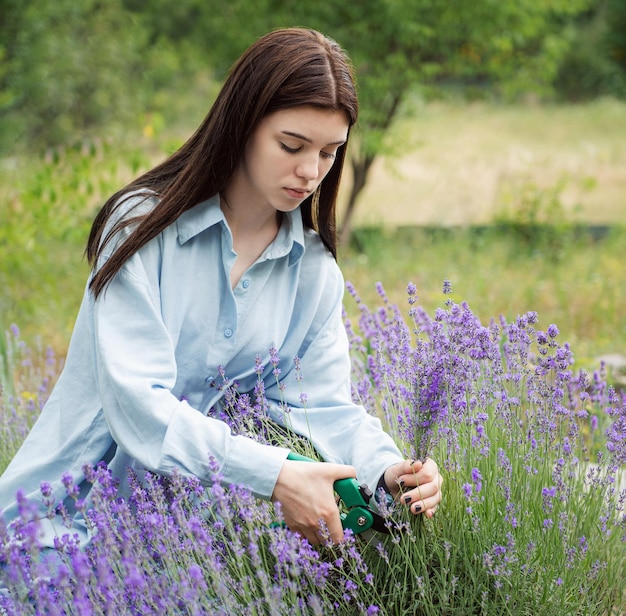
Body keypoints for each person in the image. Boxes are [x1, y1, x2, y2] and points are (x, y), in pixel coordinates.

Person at [0, 27, 442, 548]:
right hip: (57, 525)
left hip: (181, 546)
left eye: (329, 153)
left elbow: (319, 404)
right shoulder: (143, 227)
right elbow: (139, 404)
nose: (310, 171)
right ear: (242, 124)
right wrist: (277, 475)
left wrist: (389, 470)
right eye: (291, 145)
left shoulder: (313, 271)